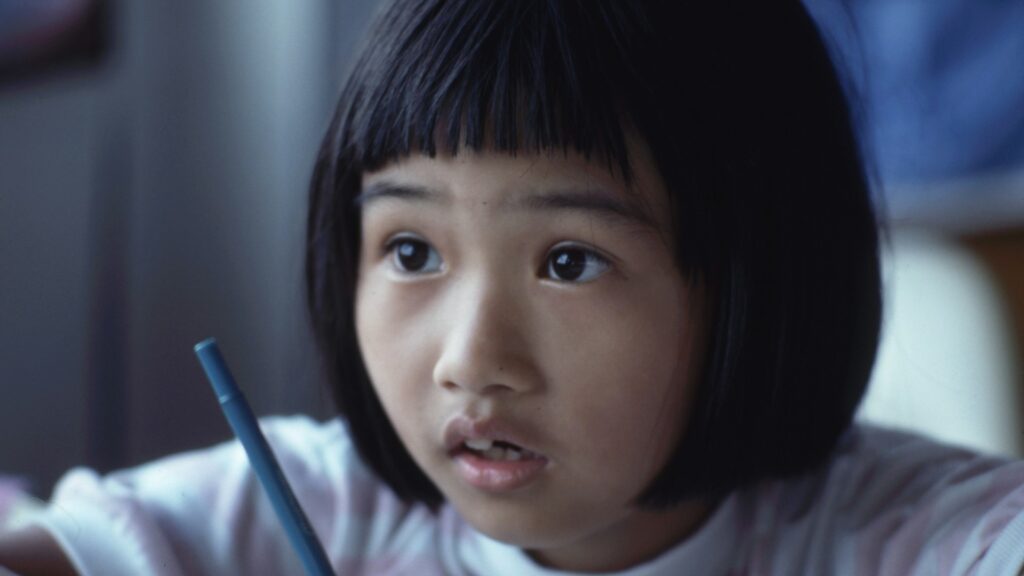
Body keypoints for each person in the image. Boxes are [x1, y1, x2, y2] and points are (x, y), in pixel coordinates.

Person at [3, 1, 1023, 574]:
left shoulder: (907, 540)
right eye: (411, 252)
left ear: (757, 280)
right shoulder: (318, 512)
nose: (468, 359)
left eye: (568, 261)